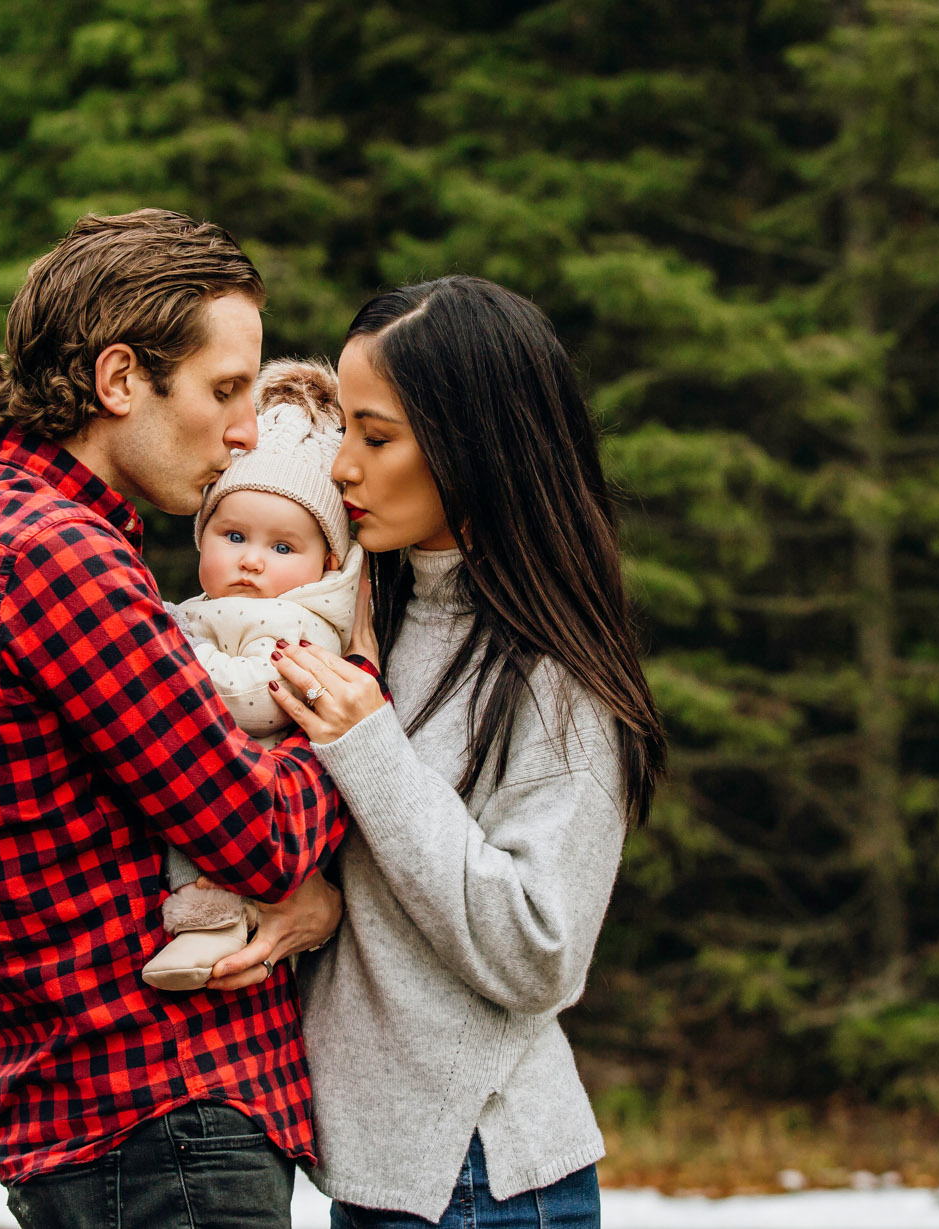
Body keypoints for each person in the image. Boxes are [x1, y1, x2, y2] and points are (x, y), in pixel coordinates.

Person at [0, 209, 347, 1229]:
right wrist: (354, 728)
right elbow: (259, 833)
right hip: (165, 1120)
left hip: (106, 1127)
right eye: (224, 389)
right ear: (116, 382)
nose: (245, 430)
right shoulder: (56, 556)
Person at [267, 276, 670, 1228]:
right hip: (382, 1175)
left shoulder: (554, 669)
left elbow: (541, 946)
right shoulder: (372, 613)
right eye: (344, 436)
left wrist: (369, 747)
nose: (343, 470)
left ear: (472, 444)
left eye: (377, 436)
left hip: (481, 1177)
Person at [145, 358, 366, 990]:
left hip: (256, 793)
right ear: (201, 535)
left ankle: (214, 934)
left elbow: (260, 699)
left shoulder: (301, 623)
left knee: (211, 862)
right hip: (211, 796)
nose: (251, 561)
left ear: (325, 561)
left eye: (282, 547)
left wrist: (171, 654)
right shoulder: (212, 608)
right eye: (233, 534)